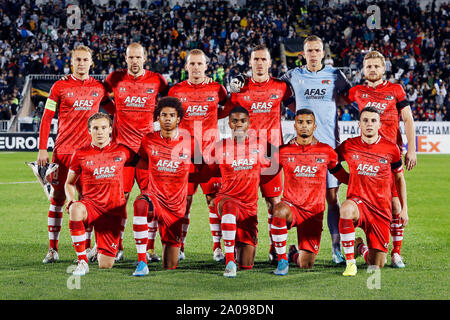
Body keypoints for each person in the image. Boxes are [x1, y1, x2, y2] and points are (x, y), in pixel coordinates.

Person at [280, 35, 352, 264]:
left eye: (317, 50)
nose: (313, 54)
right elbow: (282, 97)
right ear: (303, 54)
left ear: (323, 53)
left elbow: (348, 98)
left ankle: (336, 247)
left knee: (332, 197)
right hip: (301, 149)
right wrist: (297, 109)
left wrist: (329, 106)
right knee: (297, 198)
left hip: (328, 147)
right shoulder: (294, 75)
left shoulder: (335, 75)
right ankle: (283, 247)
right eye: (309, 51)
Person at [37, 45, 112, 263]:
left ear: (91, 62)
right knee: (57, 200)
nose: (81, 63)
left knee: (87, 202)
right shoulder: (59, 86)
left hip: (90, 157)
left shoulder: (99, 88)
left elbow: (116, 112)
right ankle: (53, 249)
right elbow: (46, 117)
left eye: (85, 60)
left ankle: (87, 249)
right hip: (63, 154)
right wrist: (43, 148)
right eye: (77, 60)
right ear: (72, 62)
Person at [347, 50, 416, 268]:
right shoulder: (356, 91)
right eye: (369, 66)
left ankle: (396, 252)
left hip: (390, 157)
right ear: (363, 70)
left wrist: (411, 150)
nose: (373, 70)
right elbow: (334, 98)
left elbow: (408, 119)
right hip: (367, 159)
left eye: (377, 66)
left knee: (396, 205)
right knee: (360, 206)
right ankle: (358, 247)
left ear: (383, 68)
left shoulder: (395, 90)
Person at [225, 44, 292, 263]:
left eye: (264, 59)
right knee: (241, 205)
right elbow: (225, 112)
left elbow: (298, 104)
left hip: (272, 157)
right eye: (256, 60)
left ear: (270, 63)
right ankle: (237, 246)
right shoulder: (240, 88)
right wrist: (229, 91)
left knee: (274, 205)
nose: (260, 63)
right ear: (250, 62)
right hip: (244, 158)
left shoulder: (281, 87)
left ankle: (276, 249)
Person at [103, 42, 168, 262]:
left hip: (147, 152)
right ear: (126, 58)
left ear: (144, 58)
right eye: (130, 58)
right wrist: (116, 111)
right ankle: (117, 247)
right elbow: (101, 98)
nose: (134, 61)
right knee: (119, 201)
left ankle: (149, 249)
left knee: (151, 200)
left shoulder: (157, 80)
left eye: (138, 57)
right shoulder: (115, 79)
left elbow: (171, 100)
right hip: (121, 151)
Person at [270, 109, 349, 275]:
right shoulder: (283, 151)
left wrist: (363, 181)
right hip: (292, 207)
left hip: (314, 213)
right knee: (278, 210)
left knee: (306, 264)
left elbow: (341, 174)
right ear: (295, 125)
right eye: (300, 122)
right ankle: (282, 259)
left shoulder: (326, 151)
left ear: (314, 126)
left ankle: (292, 254)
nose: (304, 126)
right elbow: (266, 173)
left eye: (308, 122)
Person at [168, 49, 228, 261]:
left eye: (199, 64)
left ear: (206, 66)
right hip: (184, 156)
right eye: (191, 64)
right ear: (186, 67)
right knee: (184, 202)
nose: (195, 67)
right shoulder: (175, 90)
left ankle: (217, 247)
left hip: (211, 155)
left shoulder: (216, 88)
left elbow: (227, 107)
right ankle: (180, 246)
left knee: (213, 200)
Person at [132, 96, 201, 276]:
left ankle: (166, 252)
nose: (168, 118)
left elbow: (202, 168)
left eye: (172, 115)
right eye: (164, 115)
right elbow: (141, 165)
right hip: (155, 199)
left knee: (170, 264)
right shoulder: (148, 140)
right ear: (157, 118)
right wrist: (146, 189)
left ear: (179, 118)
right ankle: (141, 261)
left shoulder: (191, 142)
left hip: (176, 207)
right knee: (140, 205)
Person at [336, 106, 408, 276]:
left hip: (380, 210)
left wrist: (404, 208)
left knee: (376, 264)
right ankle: (350, 263)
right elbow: (332, 162)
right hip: (358, 203)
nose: (369, 124)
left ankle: (361, 247)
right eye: (365, 120)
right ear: (359, 124)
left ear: (379, 125)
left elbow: (399, 179)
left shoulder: (392, 149)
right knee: (346, 209)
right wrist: (348, 178)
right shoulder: (348, 146)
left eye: (373, 121)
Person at [65, 112, 138, 276]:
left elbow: (145, 164)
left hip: (112, 212)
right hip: (90, 206)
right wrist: (70, 200)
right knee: (75, 209)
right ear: (89, 131)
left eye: (104, 127)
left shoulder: (123, 151)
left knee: (105, 265)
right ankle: (82, 261)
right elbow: (69, 183)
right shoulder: (81, 154)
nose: (100, 131)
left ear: (110, 129)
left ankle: (99, 247)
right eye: (95, 128)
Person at [203, 106, 272, 278]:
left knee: (247, 264)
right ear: (229, 124)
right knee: (230, 208)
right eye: (235, 121)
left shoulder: (260, 145)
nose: (239, 124)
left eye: (242, 121)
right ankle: (229, 261)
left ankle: (234, 248)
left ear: (249, 123)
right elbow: (208, 172)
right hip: (227, 199)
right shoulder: (219, 147)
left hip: (249, 208)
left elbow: (272, 166)